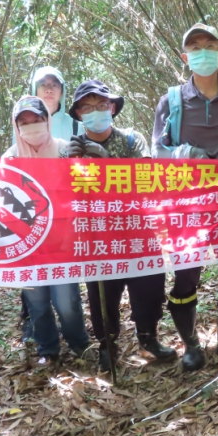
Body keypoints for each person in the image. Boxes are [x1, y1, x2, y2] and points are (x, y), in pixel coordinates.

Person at [151, 23, 218, 371]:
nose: (203, 52)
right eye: (195, 48)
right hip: (187, 206)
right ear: (185, 57)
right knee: (185, 280)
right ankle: (191, 345)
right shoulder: (172, 101)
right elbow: (158, 152)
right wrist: (187, 153)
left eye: (210, 45)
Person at [66, 80, 176, 372]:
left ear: (112, 108)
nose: (95, 112)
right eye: (87, 107)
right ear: (78, 114)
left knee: (150, 286)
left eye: (101, 105)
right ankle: (107, 343)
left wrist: (108, 161)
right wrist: (69, 162)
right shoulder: (70, 150)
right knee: (102, 290)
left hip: (137, 226)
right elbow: (63, 196)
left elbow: (148, 177)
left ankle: (148, 337)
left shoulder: (131, 139)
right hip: (97, 232)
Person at [2, 96, 90, 366]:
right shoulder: (10, 159)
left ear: (47, 120)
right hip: (28, 245)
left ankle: (79, 345)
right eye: (24, 122)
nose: (31, 126)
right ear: (16, 126)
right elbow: (4, 204)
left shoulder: (65, 151)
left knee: (67, 301)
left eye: (37, 120)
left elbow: (83, 190)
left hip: (63, 242)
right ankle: (47, 350)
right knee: (37, 302)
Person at [17, 67, 85, 341]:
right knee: (35, 296)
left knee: (66, 295)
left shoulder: (72, 127)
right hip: (29, 227)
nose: (48, 88)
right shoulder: (14, 146)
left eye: (54, 84)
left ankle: (78, 341)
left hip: (64, 224)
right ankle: (42, 341)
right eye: (42, 84)